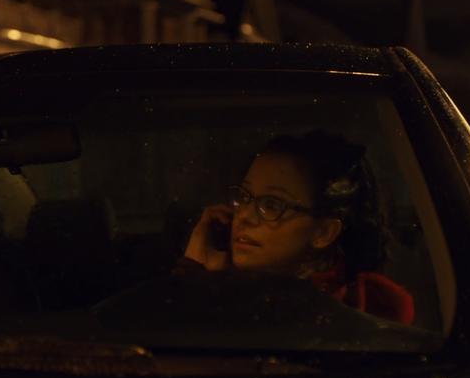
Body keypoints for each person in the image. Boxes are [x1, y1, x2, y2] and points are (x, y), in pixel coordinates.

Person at [174, 130, 415, 324]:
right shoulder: (220, 284)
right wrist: (197, 269)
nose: (244, 216)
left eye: (271, 205)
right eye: (245, 197)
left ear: (323, 232)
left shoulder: (368, 305)